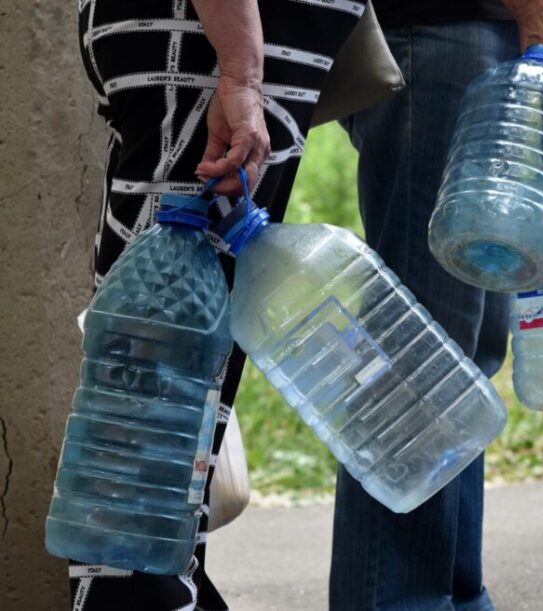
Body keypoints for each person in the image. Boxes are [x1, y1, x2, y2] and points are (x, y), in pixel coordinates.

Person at [72, 0, 363, 608]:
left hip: (234, 38)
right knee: (152, 389)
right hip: (206, 39)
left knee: (184, 391)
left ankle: (165, 584)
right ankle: (130, 596)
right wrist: (240, 69)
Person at [330, 1, 543, 608]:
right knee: (420, 350)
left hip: (477, 32)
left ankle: (451, 594)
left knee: (459, 357)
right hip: (441, 31)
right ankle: (398, 599)